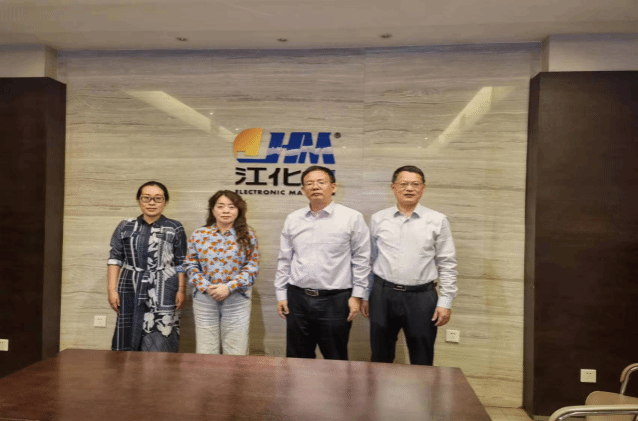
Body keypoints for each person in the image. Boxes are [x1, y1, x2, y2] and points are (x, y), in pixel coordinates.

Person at [362, 165, 458, 366]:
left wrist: (445, 301)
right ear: (393, 187)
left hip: (422, 298)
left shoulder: (438, 220)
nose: (409, 188)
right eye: (403, 184)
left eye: (415, 184)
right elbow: (369, 259)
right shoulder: (379, 219)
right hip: (382, 295)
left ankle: (422, 389)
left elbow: (447, 263)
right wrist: (365, 294)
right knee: (380, 356)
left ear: (423, 188)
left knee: (422, 358)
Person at [275, 165, 370, 360]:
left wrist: (357, 295)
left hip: (335, 300)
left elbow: (362, 259)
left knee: (335, 358)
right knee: (296, 359)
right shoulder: (293, 219)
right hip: (297, 298)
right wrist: (281, 294)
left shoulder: (351, 218)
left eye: (321, 182)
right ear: (303, 190)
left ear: (333, 187)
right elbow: (285, 259)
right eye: (309, 183)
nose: (315, 187)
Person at [107, 181, 187, 352]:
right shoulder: (126, 226)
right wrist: (111, 290)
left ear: (165, 202)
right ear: (139, 200)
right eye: (146, 198)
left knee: (161, 336)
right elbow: (115, 258)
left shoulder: (175, 227)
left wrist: (181, 289)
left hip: (165, 288)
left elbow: (181, 262)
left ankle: (159, 369)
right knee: (127, 333)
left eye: (158, 199)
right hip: (130, 286)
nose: (152, 203)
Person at [185, 190, 259, 355]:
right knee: (206, 350)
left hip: (237, 299)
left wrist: (228, 287)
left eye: (231, 207)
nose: (226, 211)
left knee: (236, 351)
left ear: (238, 210)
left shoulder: (248, 235)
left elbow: (252, 266)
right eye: (220, 206)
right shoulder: (199, 235)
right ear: (213, 210)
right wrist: (206, 286)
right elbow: (190, 264)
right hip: (205, 299)